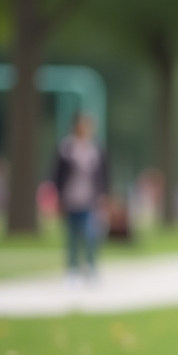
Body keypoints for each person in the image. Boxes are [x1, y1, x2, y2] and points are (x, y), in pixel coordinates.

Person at [52, 113, 108, 282]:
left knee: (91, 234)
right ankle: (72, 270)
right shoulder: (66, 148)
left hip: (91, 199)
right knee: (72, 236)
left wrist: (105, 195)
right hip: (70, 198)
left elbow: (104, 175)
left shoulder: (96, 149)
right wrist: (58, 197)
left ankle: (91, 266)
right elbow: (57, 175)